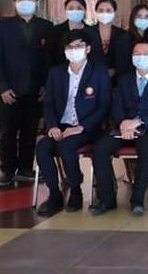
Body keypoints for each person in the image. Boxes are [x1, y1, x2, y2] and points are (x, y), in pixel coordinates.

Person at [90, 39, 148, 215]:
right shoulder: (124, 79)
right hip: (124, 127)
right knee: (100, 148)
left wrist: (140, 121)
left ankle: (137, 199)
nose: (141, 57)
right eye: (137, 54)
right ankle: (106, 199)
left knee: (146, 148)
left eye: (145, 54)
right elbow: (117, 107)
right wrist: (124, 124)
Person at [35, 30, 111, 214]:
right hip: (61, 125)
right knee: (43, 147)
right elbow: (49, 103)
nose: (74, 50)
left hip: (88, 127)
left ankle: (76, 191)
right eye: (70, 47)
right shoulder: (56, 73)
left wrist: (81, 127)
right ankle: (54, 194)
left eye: (79, 46)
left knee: (66, 147)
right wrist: (52, 125)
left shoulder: (98, 71)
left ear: (88, 48)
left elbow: (104, 105)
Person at [0, 0, 52, 187]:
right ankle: (8, 170)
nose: (26, 1)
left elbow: (48, 60)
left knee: (30, 130)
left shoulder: (46, 26)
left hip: (35, 89)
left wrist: (45, 85)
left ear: (36, 2)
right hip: (9, 89)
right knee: (8, 132)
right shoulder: (2, 26)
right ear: (15, 2)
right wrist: (2, 87)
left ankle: (26, 168)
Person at [85, 0, 132, 80]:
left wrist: (114, 70)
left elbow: (125, 59)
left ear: (114, 12)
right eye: (101, 10)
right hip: (91, 78)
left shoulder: (122, 34)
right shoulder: (86, 33)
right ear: (96, 12)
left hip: (117, 80)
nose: (104, 13)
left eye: (108, 10)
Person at [46, 0, 87, 68]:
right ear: (65, 10)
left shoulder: (91, 32)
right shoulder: (55, 31)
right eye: (71, 8)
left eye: (79, 8)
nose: (75, 11)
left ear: (85, 10)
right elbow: (50, 56)